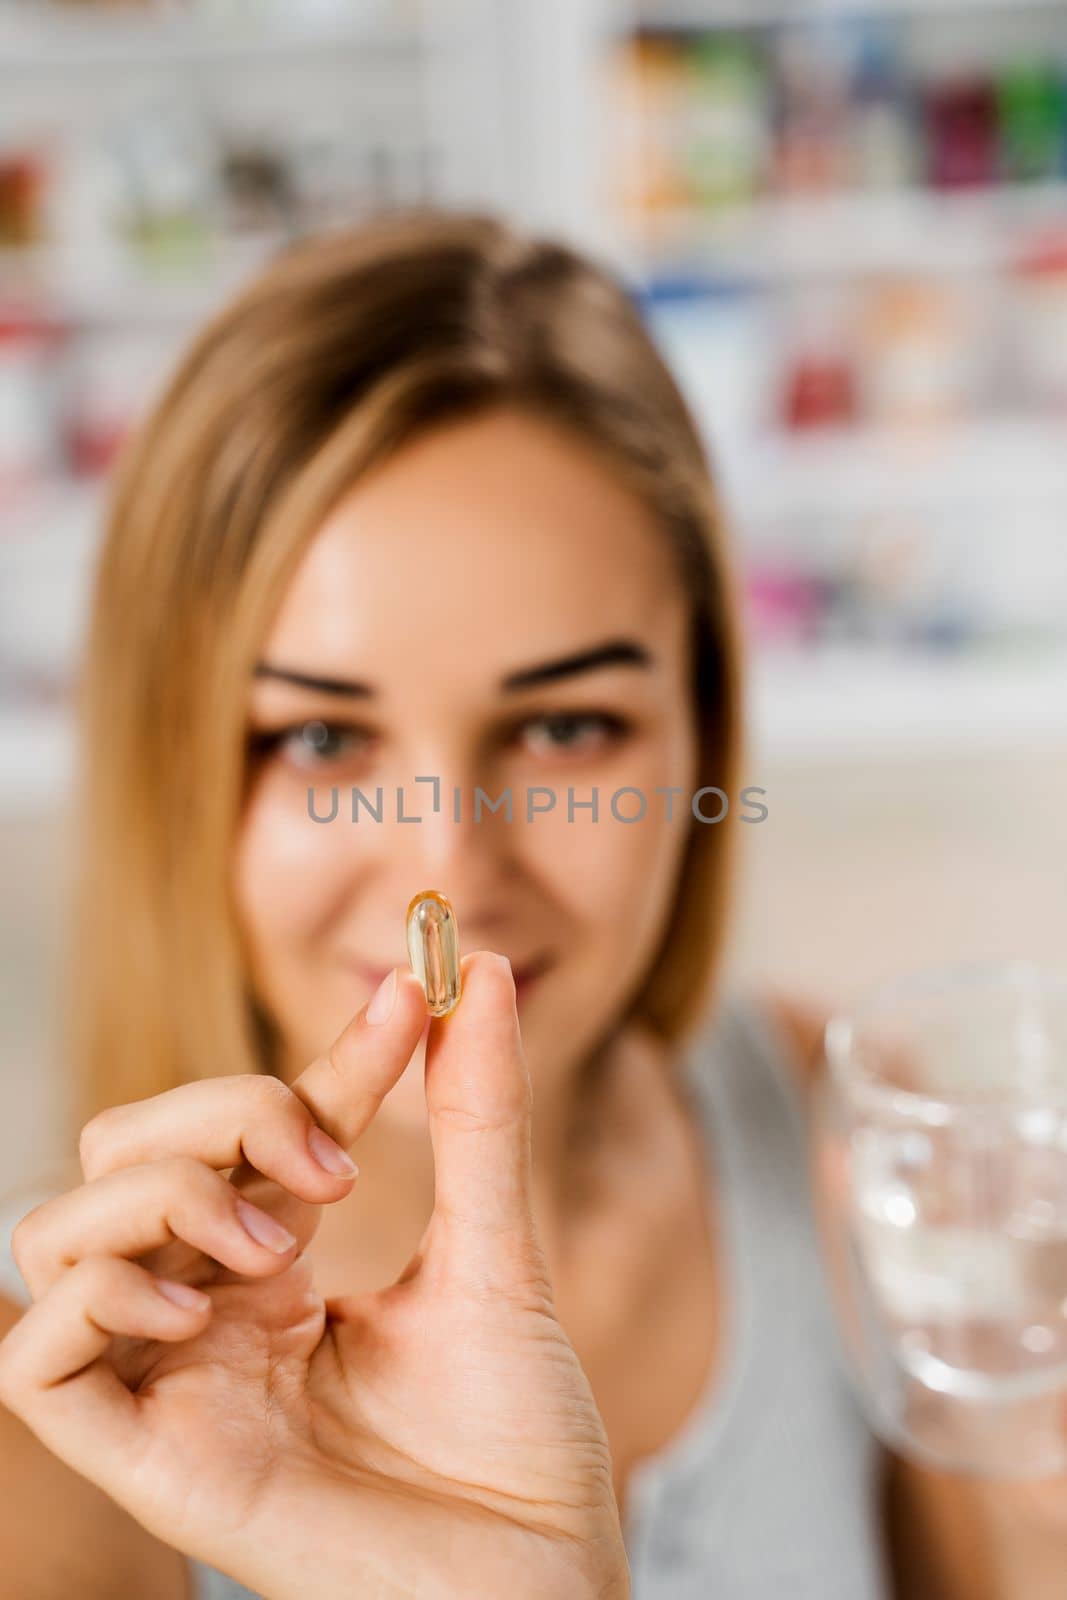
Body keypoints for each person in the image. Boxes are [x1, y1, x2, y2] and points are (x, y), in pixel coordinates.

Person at [0, 211, 1058, 1598]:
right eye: (321, 743)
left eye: (566, 729)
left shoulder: (855, 1139)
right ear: (173, 770)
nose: (450, 871)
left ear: (706, 732)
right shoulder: (66, 1411)